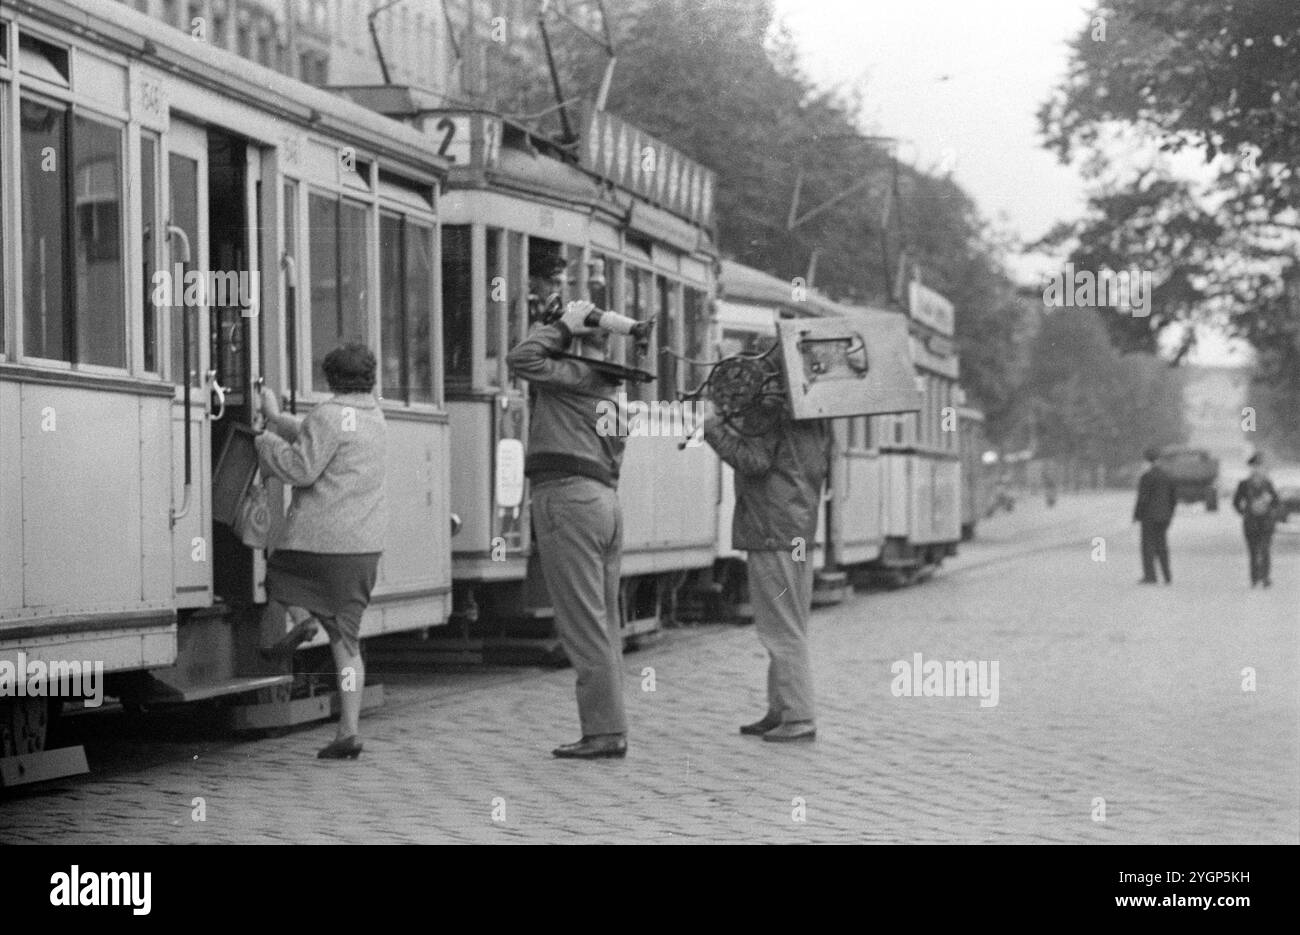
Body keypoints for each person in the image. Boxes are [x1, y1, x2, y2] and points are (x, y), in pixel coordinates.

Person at [507, 299, 629, 759]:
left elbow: (521, 358)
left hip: (568, 499)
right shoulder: (613, 391)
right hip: (604, 501)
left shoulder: (572, 380)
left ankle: (603, 732)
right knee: (603, 622)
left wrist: (559, 325)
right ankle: (609, 726)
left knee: (582, 624)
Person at [254, 344, 387, 760]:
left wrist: (265, 441)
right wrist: (280, 420)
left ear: (331, 379)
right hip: (362, 551)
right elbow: (325, 435)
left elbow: (302, 467)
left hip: (316, 545)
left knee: (278, 579)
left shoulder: (328, 415)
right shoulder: (376, 416)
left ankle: (304, 617)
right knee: (347, 643)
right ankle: (347, 731)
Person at [704, 404, 832, 743]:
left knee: (780, 627)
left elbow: (754, 460)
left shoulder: (767, 410)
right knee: (792, 621)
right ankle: (781, 708)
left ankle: (798, 715)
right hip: (798, 527)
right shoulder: (814, 407)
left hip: (773, 530)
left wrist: (713, 427)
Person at [1233, 453, 1279, 588]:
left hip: (1266, 522)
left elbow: (1276, 501)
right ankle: (1254, 578)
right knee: (1253, 551)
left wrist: (1270, 503)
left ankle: (1265, 577)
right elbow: (1236, 502)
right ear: (1251, 468)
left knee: (1265, 549)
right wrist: (1244, 512)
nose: (1257, 469)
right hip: (1251, 522)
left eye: (1260, 466)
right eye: (1255, 466)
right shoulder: (1244, 484)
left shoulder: (1268, 484)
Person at [1133, 446, 1177, 584]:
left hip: (1149, 516)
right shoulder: (1168, 476)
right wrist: (1169, 514)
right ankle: (1167, 575)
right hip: (1164, 516)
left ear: (1147, 460)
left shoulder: (1146, 477)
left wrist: (1137, 515)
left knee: (1148, 546)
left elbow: (1142, 498)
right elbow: (1173, 499)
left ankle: (1150, 576)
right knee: (1162, 545)